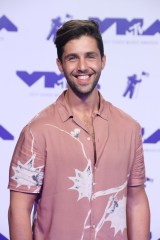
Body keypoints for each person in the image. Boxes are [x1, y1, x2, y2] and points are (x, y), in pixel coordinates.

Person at [8, 20, 150, 240]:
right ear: (59, 64)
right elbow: (19, 209)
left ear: (103, 61)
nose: (82, 66)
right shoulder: (37, 132)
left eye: (90, 56)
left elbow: (136, 200)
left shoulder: (129, 128)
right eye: (72, 58)